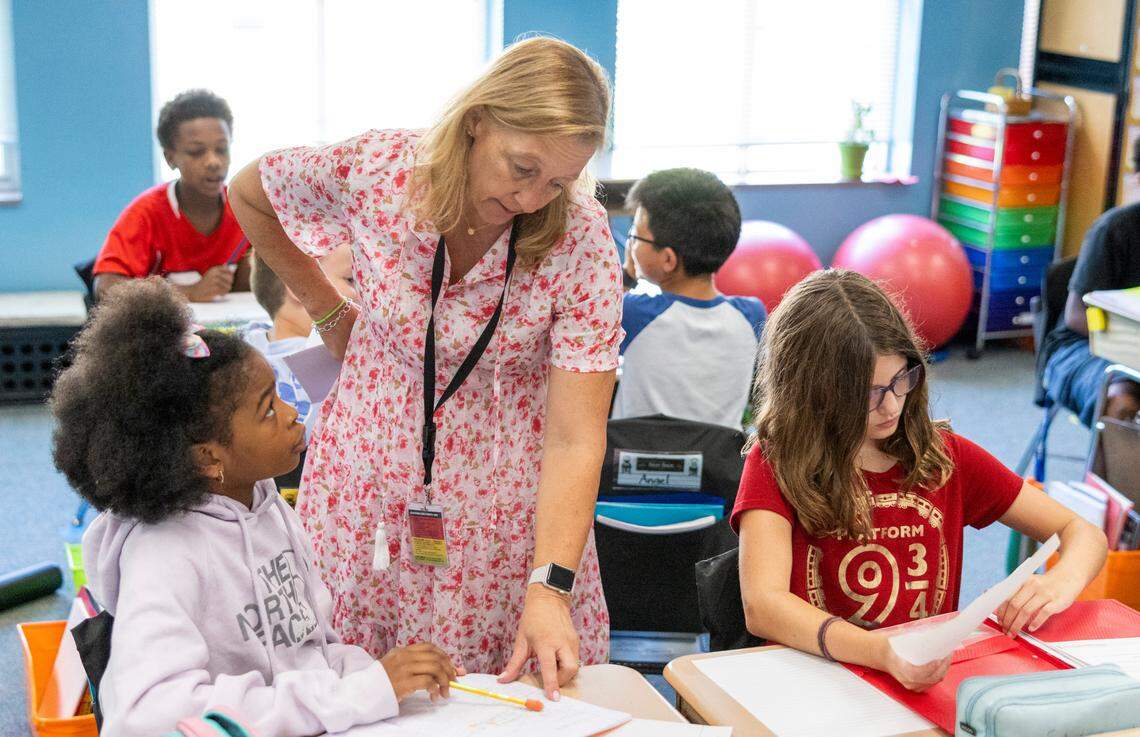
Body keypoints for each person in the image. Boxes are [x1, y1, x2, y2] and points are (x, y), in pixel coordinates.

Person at [228, 37, 622, 698]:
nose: (532, 198)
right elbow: (251, 196)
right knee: (346, 685)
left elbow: (577, 435)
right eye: (521, 167)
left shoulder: (580, 238)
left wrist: (549, 583)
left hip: (502, 502)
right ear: (477, 119)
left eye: (558, 180)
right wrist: (328, 311)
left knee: (504, 696)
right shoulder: (379, 170)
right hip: (367, 480)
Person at [51, 279, 458, 737]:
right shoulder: (163, 554)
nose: (290, 414)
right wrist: (358, 695)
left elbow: (311, 650)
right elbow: (147, 714)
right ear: (207, 455)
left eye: (280, 394)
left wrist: (375, 676)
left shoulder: (268, 506)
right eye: (267, 409)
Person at [733, 269, 1106, 692]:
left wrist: (1061, 580)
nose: (891, 405)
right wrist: (881, 652)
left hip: (915, 683)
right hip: (812, 680)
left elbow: (1083, 532)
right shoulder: (777, 460)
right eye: (868, 393)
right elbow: (763, 606)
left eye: (900, 381)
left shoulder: (942, 455)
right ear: (813, 390)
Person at [614, 168, 763, 429]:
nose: (631, 245)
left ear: (668, 260)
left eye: (635, 236)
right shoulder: (752, 316)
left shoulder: (635, 314)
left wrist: (628, 276)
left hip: (634, 466)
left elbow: (597, 317)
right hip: (719, 467)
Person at [93, 89, 251, 303]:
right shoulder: (147, 212)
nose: (213, 162)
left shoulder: (244, 209)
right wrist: (189, 292)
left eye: (222, 149)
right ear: (170, 158)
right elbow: (106, 287)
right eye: (196, 152)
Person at [1043, 139, 1140, 425]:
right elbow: (1076, 316)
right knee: (1122, 398)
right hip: (1084, 346)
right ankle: (1110, 471)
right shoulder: (1114, 229)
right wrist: (1131, 341)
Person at [245, 247, 357, 438]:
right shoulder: (332, 365)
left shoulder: (248, 343)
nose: (370, 290)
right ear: (299, 283)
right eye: (351, 279)